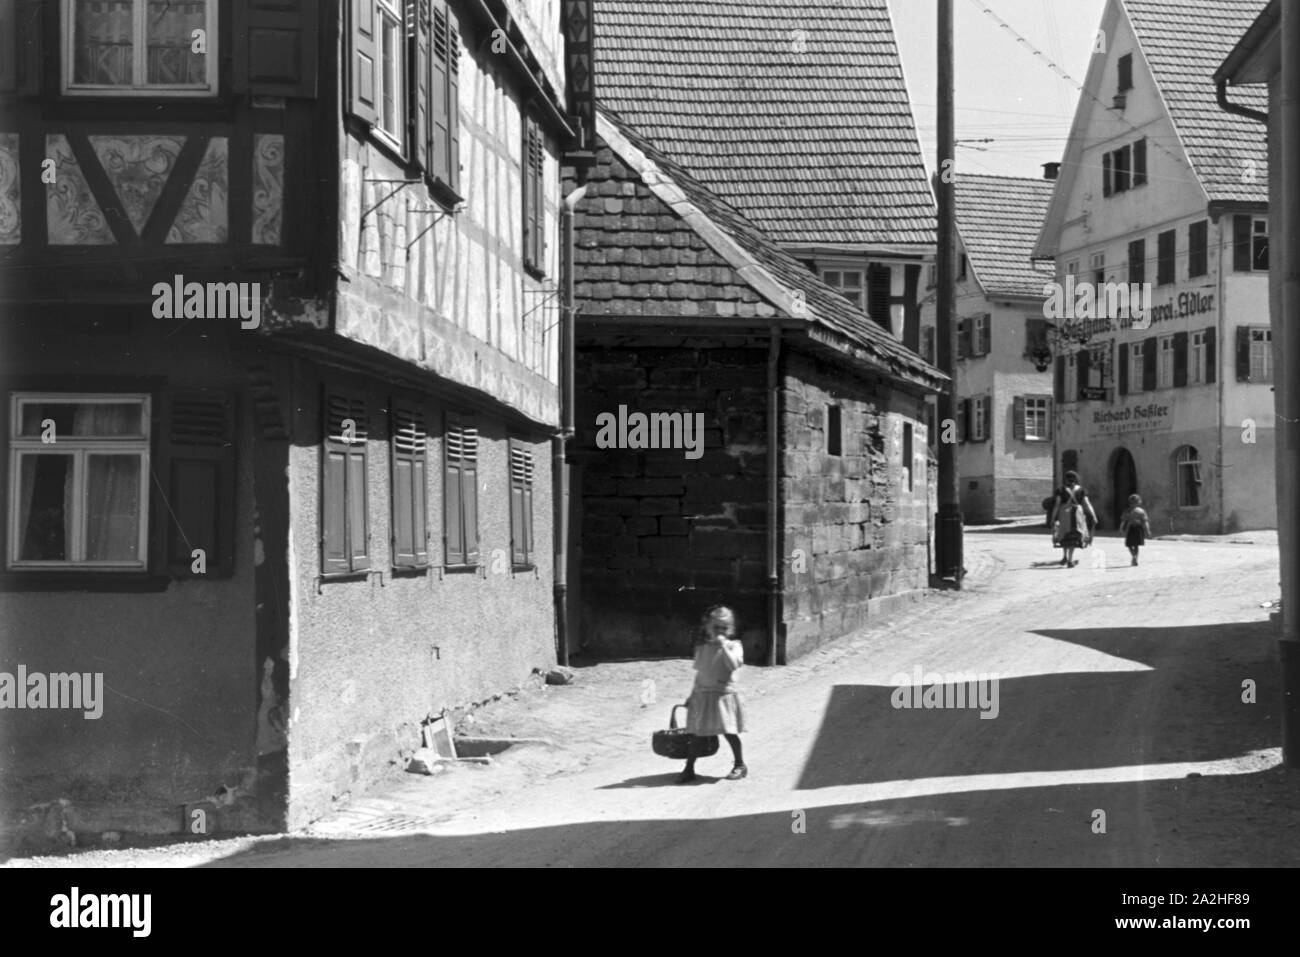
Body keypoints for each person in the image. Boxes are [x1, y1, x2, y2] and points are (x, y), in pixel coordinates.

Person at [678, 605, 748, 784]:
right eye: (716, 627)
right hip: (703, 695)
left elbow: (733, 665)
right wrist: (691, 695)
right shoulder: (703, 648)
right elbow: (700, 674)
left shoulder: (734, 646)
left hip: (723, 695)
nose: (720, 631)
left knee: (728, 731)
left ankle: (739, 764)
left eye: (724, 628)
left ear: (730, 629)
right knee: (696, 734)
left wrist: (724, 646)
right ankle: (689, 768)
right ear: (709, 628)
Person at [1050, 471, 1098, 568]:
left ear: (1066, 479)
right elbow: (1087, 504)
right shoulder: (1082, 490)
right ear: (1076, 479)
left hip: (1064, 514)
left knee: (1064, 534)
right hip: (1077, 515)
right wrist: (1093, 515)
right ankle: (1070, 559)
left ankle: (1064, 556)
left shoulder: (1060, 490)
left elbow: (1057, 505)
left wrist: (1052, 518)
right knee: (1074, 535)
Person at [1119, 493, 1152, 566]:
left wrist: (1121, 529)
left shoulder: (1127, 511)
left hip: (1131, 529)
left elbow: (1123, 521)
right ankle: (1135, 558)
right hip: (1139, 529)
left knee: (1129, 544)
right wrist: (1148, 531)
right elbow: (1145, 522)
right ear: (1138, 502)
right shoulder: (1141, 511)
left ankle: (1133, 556)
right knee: (1136, 545)